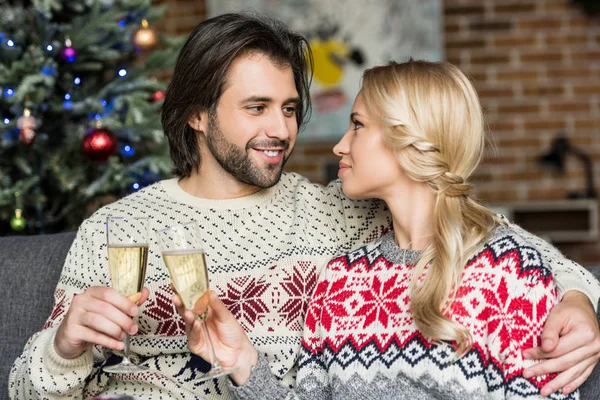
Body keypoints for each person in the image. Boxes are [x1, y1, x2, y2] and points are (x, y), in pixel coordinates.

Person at [9, 13, 600, 400]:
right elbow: (25, 389)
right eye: (257, 107)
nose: (280, 130)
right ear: (197, 113)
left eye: (290, 109)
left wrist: (579, 296)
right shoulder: (114, 229)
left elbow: (471, 233)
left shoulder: (337, 213)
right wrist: (64, 344)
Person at [177, 60, 591, 399]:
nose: (340, 145)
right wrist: (243, 363)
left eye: (357, 124)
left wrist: (580, 296)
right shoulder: (341, 279)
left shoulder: (510, 276)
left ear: (410, 139)